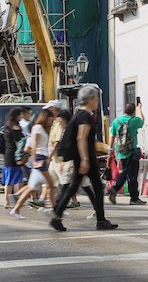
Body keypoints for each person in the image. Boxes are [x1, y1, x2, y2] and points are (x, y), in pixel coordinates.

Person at [50, 86, 118, 231]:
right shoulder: (84, 116)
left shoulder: (79, 114)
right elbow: (81, 138)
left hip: (82, 156)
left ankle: (57, 216)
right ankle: (100, 220)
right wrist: (85, 160)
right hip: (85, 157)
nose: (97, 102)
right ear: (90, 99)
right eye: (96, 98)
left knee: (74, 186)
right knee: (97, 188)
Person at [10, 109, 56, 219]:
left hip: (42, 158)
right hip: (40, 158)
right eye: (50, 120)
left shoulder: (44, 129)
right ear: (45, 118)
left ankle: (16, 209)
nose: (51, 122)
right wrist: (35, 160)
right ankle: (54, 210)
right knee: (50, 184)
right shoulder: (38, 128)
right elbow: (34, 145)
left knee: (33, 187)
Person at [108, 102, 147, 205]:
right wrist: (139, 109)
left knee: (127, 173)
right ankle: (131, 196)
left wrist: (110, 149)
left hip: (121, 151)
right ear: (133, 111)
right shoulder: (135, 120)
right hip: (131, 151)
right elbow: (142, 121)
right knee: (131, 175)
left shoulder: (116, 121)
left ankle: (132, 196)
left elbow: (112, 136)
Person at [2, 108, 24, 208]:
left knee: (9, 180)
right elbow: (19, 142)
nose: (21, 117)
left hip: (8, 155)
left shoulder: (6, 127)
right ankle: (16, 201)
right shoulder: (16, 128)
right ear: (17, 116)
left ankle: (6, 201)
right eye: (20, 115)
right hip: (16, 155)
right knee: (17, 180)